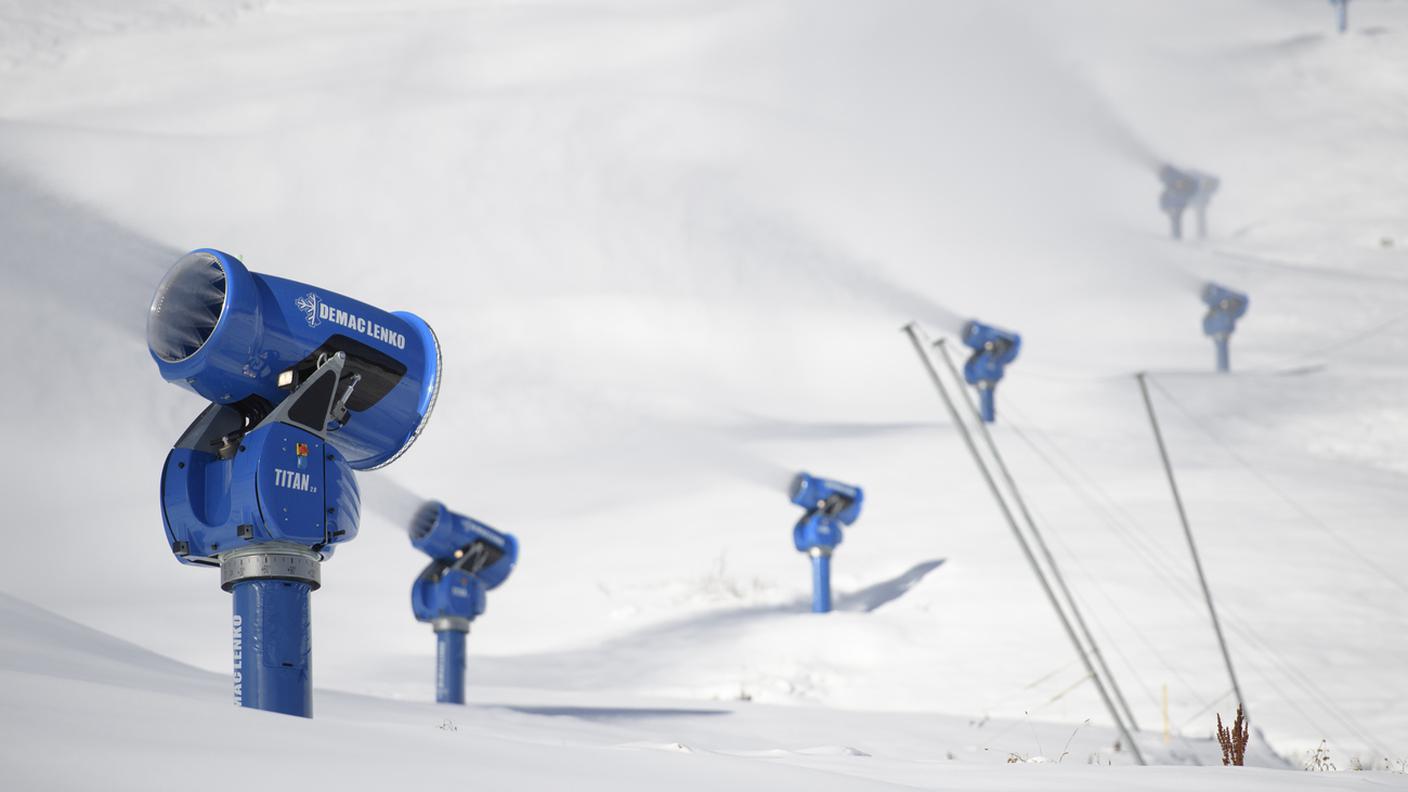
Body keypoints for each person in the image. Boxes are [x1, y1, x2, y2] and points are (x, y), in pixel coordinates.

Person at [1159, 165, 1197, 240]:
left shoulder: (1185, 190)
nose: (1179, 184)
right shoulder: (1171, 189)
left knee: (1176, 220)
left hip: (1179, 207)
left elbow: (1187, 197)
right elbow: (1164, 198)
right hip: (1173, 207)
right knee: (1175, 220)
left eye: (1180, 183)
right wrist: (1165, 208)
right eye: (1178, 183)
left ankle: (1177, 236)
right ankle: (1176, 236)